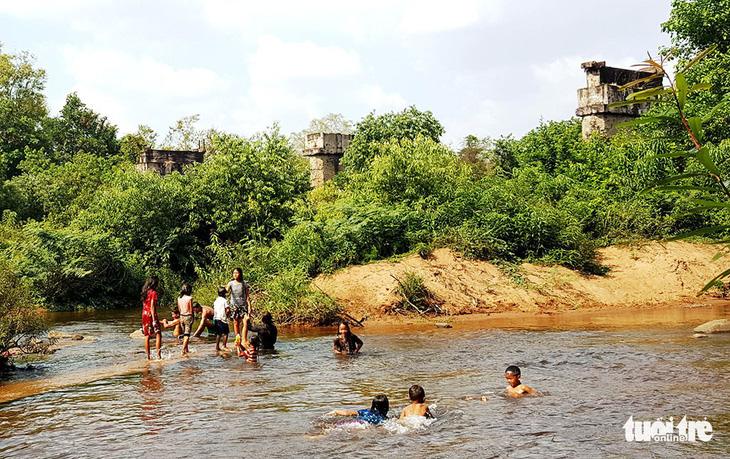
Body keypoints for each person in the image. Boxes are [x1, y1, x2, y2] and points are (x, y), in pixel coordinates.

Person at [227, 268, 252, 355]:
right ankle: (237, 338)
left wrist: (250, 306)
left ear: (240, 274)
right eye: (234, 273)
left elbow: (248, 296)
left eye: (237, 273)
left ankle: (244, 339)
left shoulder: (244, 283)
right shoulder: (230, 283)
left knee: (245, 321)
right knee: (236, 323)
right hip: (234, 306)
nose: (235, 275)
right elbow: (226, 291)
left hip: (243, 305)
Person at [141, 276, 162, 360]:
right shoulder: (153, 293)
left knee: (147, 335)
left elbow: (144, 305)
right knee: (158, 334)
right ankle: (158, 355)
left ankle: (148, 357)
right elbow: (152, 307)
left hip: (144, 314)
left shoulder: (144, 292)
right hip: (151, 314)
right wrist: (154, 320)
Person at [178, 284, 194, 356]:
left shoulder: (179, 298)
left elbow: (179, 309)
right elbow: (191, 309)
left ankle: (186, 349)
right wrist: (193, 317)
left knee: (184, 333)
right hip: (188, 316)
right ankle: (183, 350)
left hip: (181, 316)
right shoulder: (189, 298)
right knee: (187, 335)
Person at [212, 287, 230, 352]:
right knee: (226, 333)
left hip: (216, 318)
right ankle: (224, 345)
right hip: (222, 318)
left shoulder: (216, 301)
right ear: (224, 294)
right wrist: (227, 316)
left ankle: (217, 346)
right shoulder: (224, 301)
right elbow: (228, 310)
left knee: (218, 333)